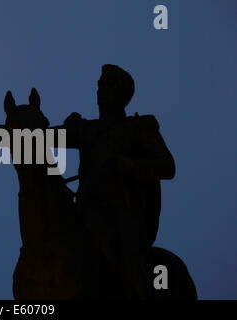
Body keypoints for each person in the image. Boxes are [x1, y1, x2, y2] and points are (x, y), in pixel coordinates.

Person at [63, 64, 176, 299]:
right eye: (100, 84)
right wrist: (9, 133)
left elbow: (167, 166)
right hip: (84, 213)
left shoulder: (139, 127)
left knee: (128, 263)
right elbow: (41, 137)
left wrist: (130, 165)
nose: (101, 89)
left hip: (121, 215)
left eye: (108, 85)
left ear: (123, 94)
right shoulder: (86, 129)